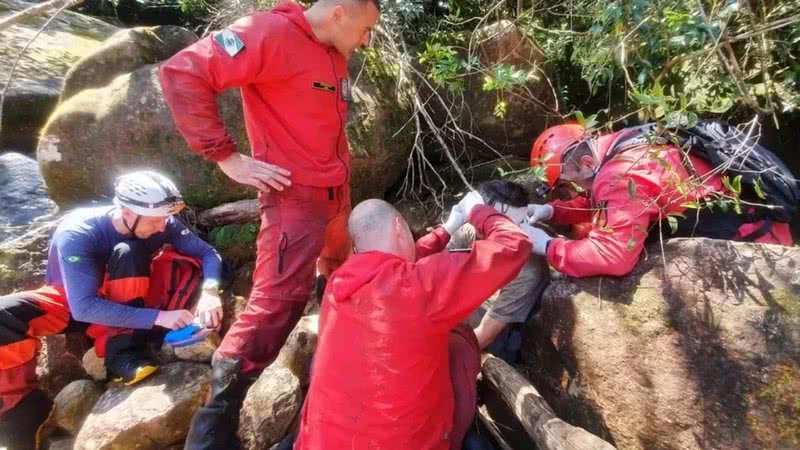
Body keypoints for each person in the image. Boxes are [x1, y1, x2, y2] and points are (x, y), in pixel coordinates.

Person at [159, 0, 381, 447]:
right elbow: (184, 72)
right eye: (366, 27)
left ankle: (338, 365)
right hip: (294, 199)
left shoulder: (334, 51)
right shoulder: (268, 33)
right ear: (340, 11)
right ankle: (213, 428)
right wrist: (225, 156)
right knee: (275, 306)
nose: (367, 40)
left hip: (336, 193)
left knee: (342, 271)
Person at [0, 170, 223, 450]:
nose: (162, 227)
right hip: (76, 302)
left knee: (128, 251)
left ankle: (123, 354)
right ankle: (21, 409)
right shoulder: (78, 232)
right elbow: (82, 306)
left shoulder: (161, 224)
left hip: (133, 293)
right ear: (127, 212)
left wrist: (211, 291)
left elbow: (207, 253)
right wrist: (160, 318)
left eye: (165, 219)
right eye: (155, 221)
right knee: (4, 315)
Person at [294, 193, 535, 450]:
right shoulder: (418, 288)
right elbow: (514, 245)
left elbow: (393, 262)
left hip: (319, 442)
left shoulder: (337, 284)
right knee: (458, 343)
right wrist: (478, 210)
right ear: (400, 227)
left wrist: (446, 231)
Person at [525, 123, 795, 278]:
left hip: (749, 245)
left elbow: (612, 256)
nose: (569, 189)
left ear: (586, 162)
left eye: (565, 182)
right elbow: (609, 204)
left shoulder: (618, 175)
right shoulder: (623, 142)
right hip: (755, 217)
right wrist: (552, 211)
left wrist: (547, 246)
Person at [447, 181, 550, 356]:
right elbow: (436, 273)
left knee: (502, 345)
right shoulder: (471, 230)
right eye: (492, 221)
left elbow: (485, 335)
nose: (501, 230)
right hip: (472, 300)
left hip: (503, 326)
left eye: (510, 225)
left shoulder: (529, 269)